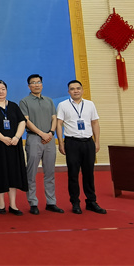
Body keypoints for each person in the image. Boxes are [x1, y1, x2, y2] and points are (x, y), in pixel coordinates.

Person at [56, 80, 107, 215]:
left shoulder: (90, 104)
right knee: (73, 174)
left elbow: (95, 123)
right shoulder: (63, 105)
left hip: (88, 142)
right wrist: (61, 143)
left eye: (78, 88)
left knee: (89, 174)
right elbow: (59, 124)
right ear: (68, 91)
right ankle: (75, 202)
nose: (76, 91)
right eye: (72, 89)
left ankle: (91, 202)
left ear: (82, 90)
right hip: (72, 143)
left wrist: (97, 142)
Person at [19, 74, 64, 215]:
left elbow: (54, 118)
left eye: (38, 82)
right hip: (34, 139)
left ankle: (51, 202)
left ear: (42, 85)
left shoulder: (49, 101)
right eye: (33, 83)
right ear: (29, 86)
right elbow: (26, 121)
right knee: (31, 172)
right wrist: (41, 133)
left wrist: (50, 133)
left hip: (49, 139)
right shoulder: (24, 101)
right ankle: (33, 202)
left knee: (50, 172)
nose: (36, 85)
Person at [0, 80, 28, 216]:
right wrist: (3, 138)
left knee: (13, 173)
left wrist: (17, 137)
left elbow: (22, 121)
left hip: (14, 144)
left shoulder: (13, 106)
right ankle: (1, 204)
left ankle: (13, 205)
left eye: (3, 89)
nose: (1, 91)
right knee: (0, 173)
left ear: (7, 90)